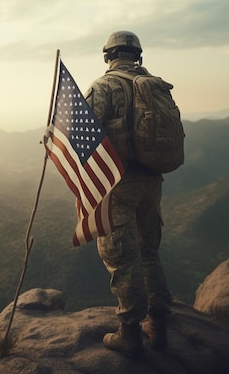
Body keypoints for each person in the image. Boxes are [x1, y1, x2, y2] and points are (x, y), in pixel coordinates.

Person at [84, 31, 173, 359]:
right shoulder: (155, 86)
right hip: (152, 181)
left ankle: (130, 333)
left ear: (108, 56)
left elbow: (83, 140)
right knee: (149, 253)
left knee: (122, 257)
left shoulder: (103, 87)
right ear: (138, 55)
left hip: (117, 184)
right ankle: (159, 326)